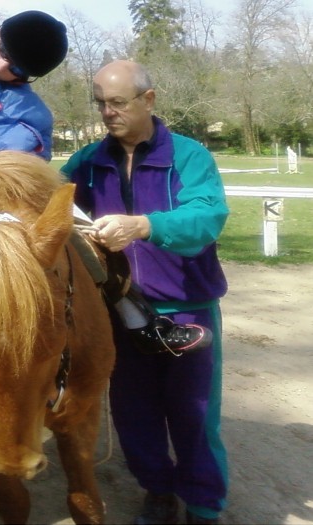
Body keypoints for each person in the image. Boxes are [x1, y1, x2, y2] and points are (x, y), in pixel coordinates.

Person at [0, 11, 211, 430]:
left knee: (84, 236)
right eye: (4, 53)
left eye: (19, 70)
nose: (3, 67)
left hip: (7, 202)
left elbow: (32, 168)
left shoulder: (34, 112)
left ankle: (140, 319)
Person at [61, 60, 229, 525]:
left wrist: (144, 226)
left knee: (194, 417)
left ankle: (203, 506)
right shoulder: (90, 162)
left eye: (117, 102)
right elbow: (53, 197)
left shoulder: (189, 156)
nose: (107, 113)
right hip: (119, 309)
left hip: (186, 306)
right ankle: (157, 491)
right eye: (101, 104)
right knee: (134, 412)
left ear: (148, 100)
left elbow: (207, 217)